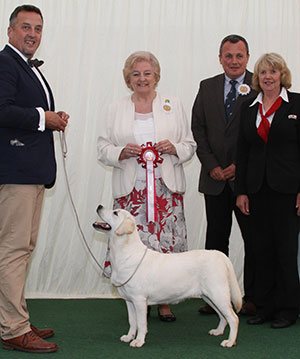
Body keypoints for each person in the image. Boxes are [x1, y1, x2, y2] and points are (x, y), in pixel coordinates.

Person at [97, 51, 196, 322]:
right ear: (128, 78)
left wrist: (174, 147)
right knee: (130, 245)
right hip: (131, 192)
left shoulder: (172, 104)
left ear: (156, 76)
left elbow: (190, 145)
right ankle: (135, 294)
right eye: (136, 74)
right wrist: (121, 152)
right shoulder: (116, 107)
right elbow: (102, 148)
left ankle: (165, 301)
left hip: (166, 189)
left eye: (147, 73)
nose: (142, 78)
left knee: (166, 245)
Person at [0, 5, 69, 353]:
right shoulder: (4, 63)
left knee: (21, 249)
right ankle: (13, 328)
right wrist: (46, 117)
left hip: (31, 172)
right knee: (13, 251)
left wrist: (49, 117)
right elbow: (1, 109)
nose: (32, 33)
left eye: (38, 28)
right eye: (25, 26)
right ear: (10, 30)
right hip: (16, 172)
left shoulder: (23, 66)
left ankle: (15, 319)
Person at [191, 34, 257, 315]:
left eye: (239, 55)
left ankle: (254, 297)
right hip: (214, 179)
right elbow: (198, 129)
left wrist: (238, 167)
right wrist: (212, 165)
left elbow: (263, 135)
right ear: (220, 58)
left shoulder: (259, 85)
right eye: (228, 55)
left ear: (247, 57)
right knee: (216, 242)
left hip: (248, 182)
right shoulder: (207, 87)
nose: (233, 61)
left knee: (254, 240)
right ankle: (215, 299)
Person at [236, 53, 300, 328]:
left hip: (288, 191)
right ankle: (264, 307)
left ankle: (287, 310)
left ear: (282, 75)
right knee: (260, 250)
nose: (268, 77)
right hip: (256, 190)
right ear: (257, 77)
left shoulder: (296, 103)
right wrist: (241, 191)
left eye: (273, 72)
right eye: (263, 72)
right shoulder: (249, 107)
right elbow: (242, 151)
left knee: (285, 251)